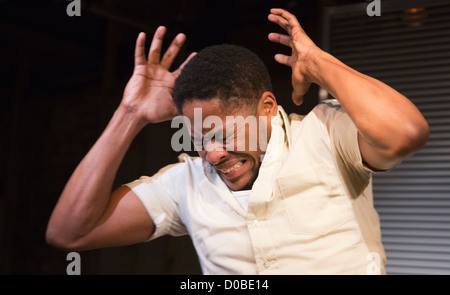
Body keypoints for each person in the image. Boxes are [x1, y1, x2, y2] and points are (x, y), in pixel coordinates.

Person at [46, 8, 429, 274]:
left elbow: (405, 133)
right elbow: (70, 233)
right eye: (198, 139)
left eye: (222, 135)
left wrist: (318, 64)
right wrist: (130, 114)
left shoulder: (325, 134)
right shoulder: (186, 183)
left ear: (265, 107)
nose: (212, 154)